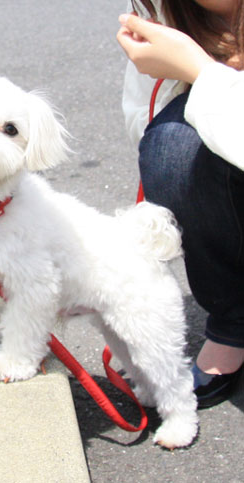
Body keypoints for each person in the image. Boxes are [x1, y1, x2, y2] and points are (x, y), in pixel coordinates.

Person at [116, 0, 244, 408]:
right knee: (173, 147)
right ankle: (233, 322)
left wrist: (200, 72)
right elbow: (149, 128)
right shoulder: (166, 9)